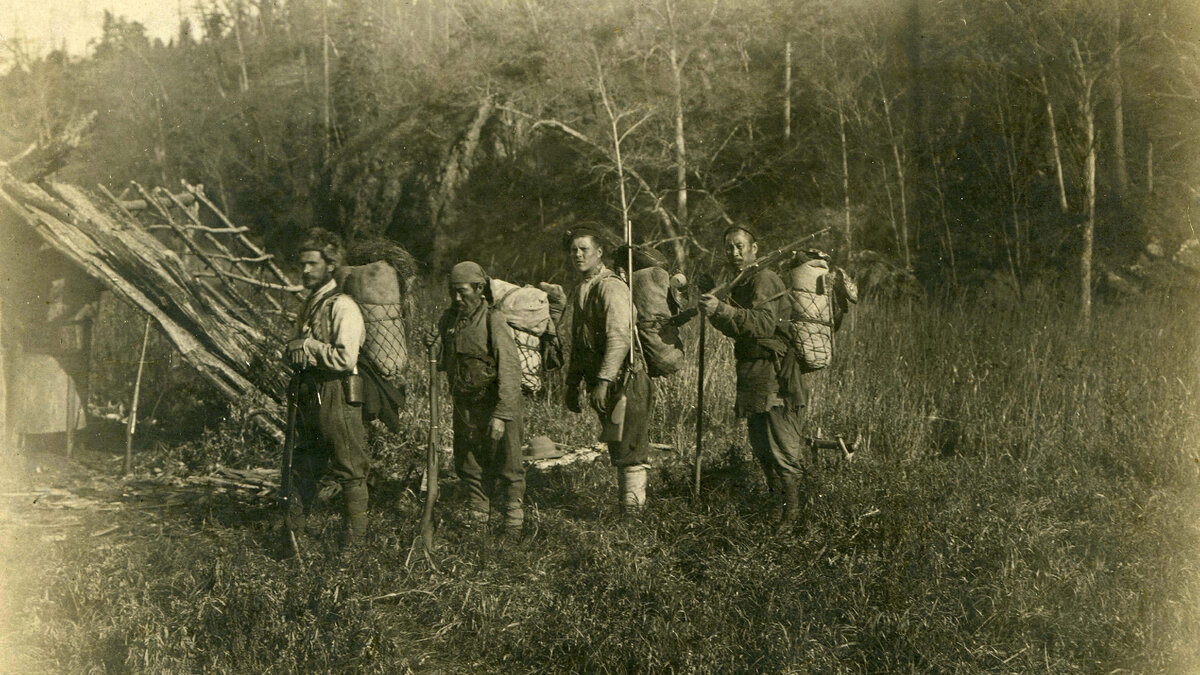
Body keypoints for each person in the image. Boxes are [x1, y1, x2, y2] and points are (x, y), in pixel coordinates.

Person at [699, 226, 809, 534]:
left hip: (776, 374)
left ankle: (792, 518)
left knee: (781, 447)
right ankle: (776, 509)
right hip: (752, 373)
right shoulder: (743, 282)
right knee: (762, 447)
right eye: (729, 248)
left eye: (740, 246)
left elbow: (763, 324)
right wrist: (716, 311)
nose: (734, 253)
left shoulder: (763, 279)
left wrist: (721, 309)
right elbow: (737, 328)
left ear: (754, 248)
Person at [284, 228, 370, 550]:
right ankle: (297, 537)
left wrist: (309, 346)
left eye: (313, 264)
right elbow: (296, 345)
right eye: (302, 264)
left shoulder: (342, 306)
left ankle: (356, 545)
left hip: (338, 391)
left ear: (330, 265)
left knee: (349, 466)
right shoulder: (310, 304)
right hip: (311, 392)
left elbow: (346, 358)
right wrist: (297, 348)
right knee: (306, 462)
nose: (305, 270)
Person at [564, 227, 654, 512]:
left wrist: (603, 381)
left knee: (630, 447)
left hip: (626, 379)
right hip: (605, 381)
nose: (578, 255)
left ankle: (633, 516)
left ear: (599, 253)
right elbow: (580, 343)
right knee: (618, 445)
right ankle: (627, 509)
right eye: (574, 250)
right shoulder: (583, 288)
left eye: (584, 249)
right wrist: (572, 383)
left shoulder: (611, 287)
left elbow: (619, 338)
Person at [433, 261, 526, 537]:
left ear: (479, 289)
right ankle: (477, 525)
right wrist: (433, 345)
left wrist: (502, 415)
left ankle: (513, 527)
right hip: (466, 407)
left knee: (509, 465)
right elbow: (444, 362)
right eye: (452, 291)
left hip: (496, 405)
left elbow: (510, 369)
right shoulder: (449, 321)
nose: (456, 298)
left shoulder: (492, 320)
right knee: (470, 464)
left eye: (462, 291)